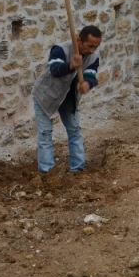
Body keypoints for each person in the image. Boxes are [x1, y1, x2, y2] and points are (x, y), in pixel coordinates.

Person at [32, 25, 102, 174]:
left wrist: (87, 84)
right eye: (89, 46)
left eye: (95, 47)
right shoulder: (60, 49)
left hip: (68, 98)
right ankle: (46, 172)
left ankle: (77, 168)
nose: (91, 50)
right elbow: (55, 70)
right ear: (78, 41)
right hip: (46, 95)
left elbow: (91, 74)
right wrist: (71, 65)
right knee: (45, 133)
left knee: (75, 130)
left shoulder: (94, 57)